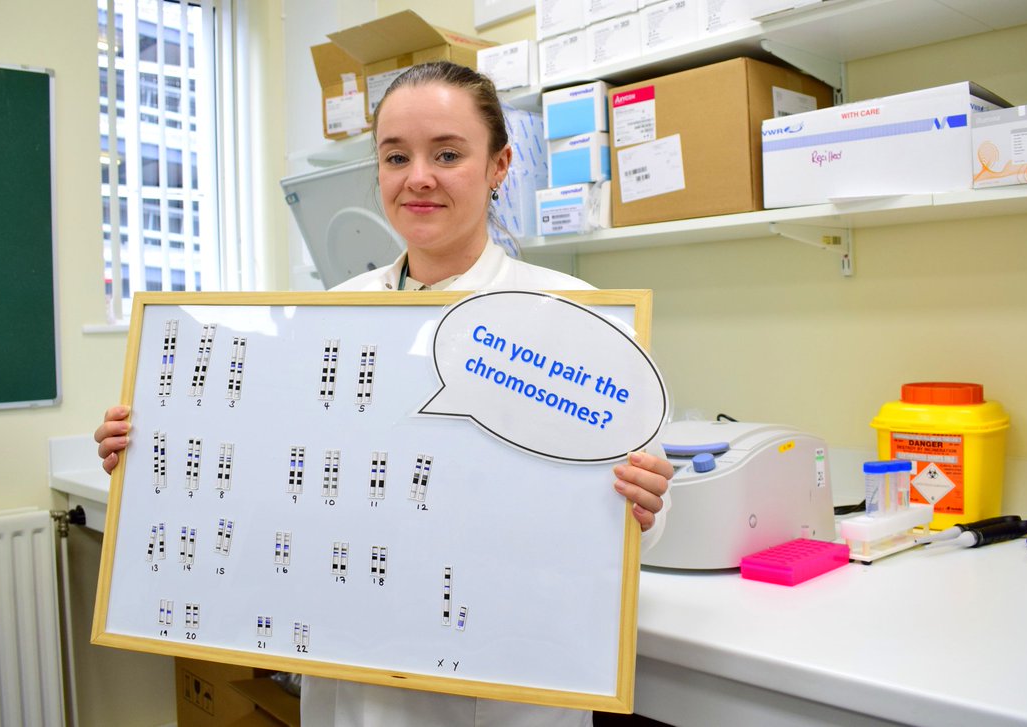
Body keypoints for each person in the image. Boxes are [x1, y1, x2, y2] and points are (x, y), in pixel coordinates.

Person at [94, 60, 672, 727]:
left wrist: (646, 505)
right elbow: (276, 481)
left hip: (501, 687)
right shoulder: (332, 316)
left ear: (499, 165)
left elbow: (633, 531)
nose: (418, 177)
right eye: (396, 156)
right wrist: (149, 452)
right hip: (355, 679)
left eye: (448, 153)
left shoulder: (572, 319)